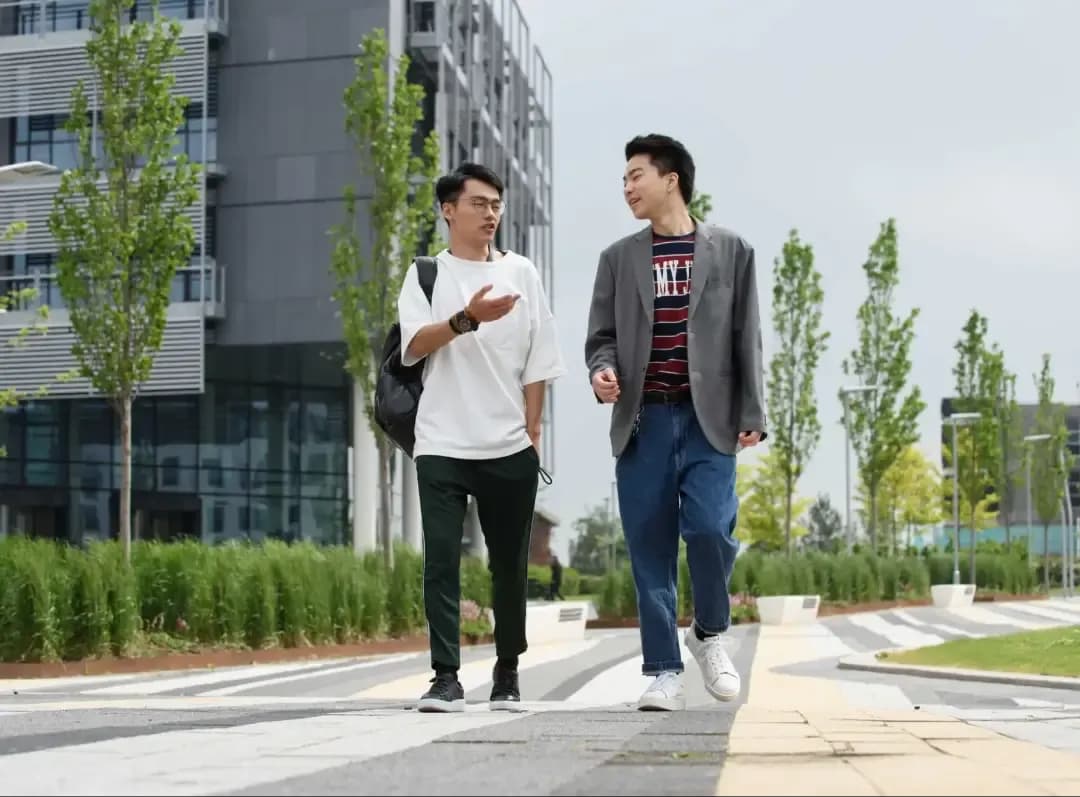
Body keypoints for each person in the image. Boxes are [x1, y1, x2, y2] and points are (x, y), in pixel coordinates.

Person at [584, 134, 766, 712]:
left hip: (708, 419)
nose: (627, 187)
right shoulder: (617, 259)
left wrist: (753, 411)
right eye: (623, 179)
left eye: (636, 175)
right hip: (644, 422)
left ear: (672, 179)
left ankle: (710, 634)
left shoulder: (731, 251)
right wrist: (602, 371)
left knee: (712, 531)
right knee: (649, 547)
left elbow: (748, 337)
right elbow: (601, 339)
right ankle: (663, 669)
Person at [397, 162, 566, 713]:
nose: (491, 213)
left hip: (509, 446)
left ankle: (507, 674)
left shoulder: (523, 273)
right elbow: (415, 345)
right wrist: (466, 318)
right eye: (479, 203)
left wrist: (533, 431)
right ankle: (446, 676)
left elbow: (539, 360)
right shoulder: (425, 274)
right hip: (441, 442)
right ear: (448, 210)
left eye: (496, 204)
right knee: (441, 560)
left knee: (510, 565)